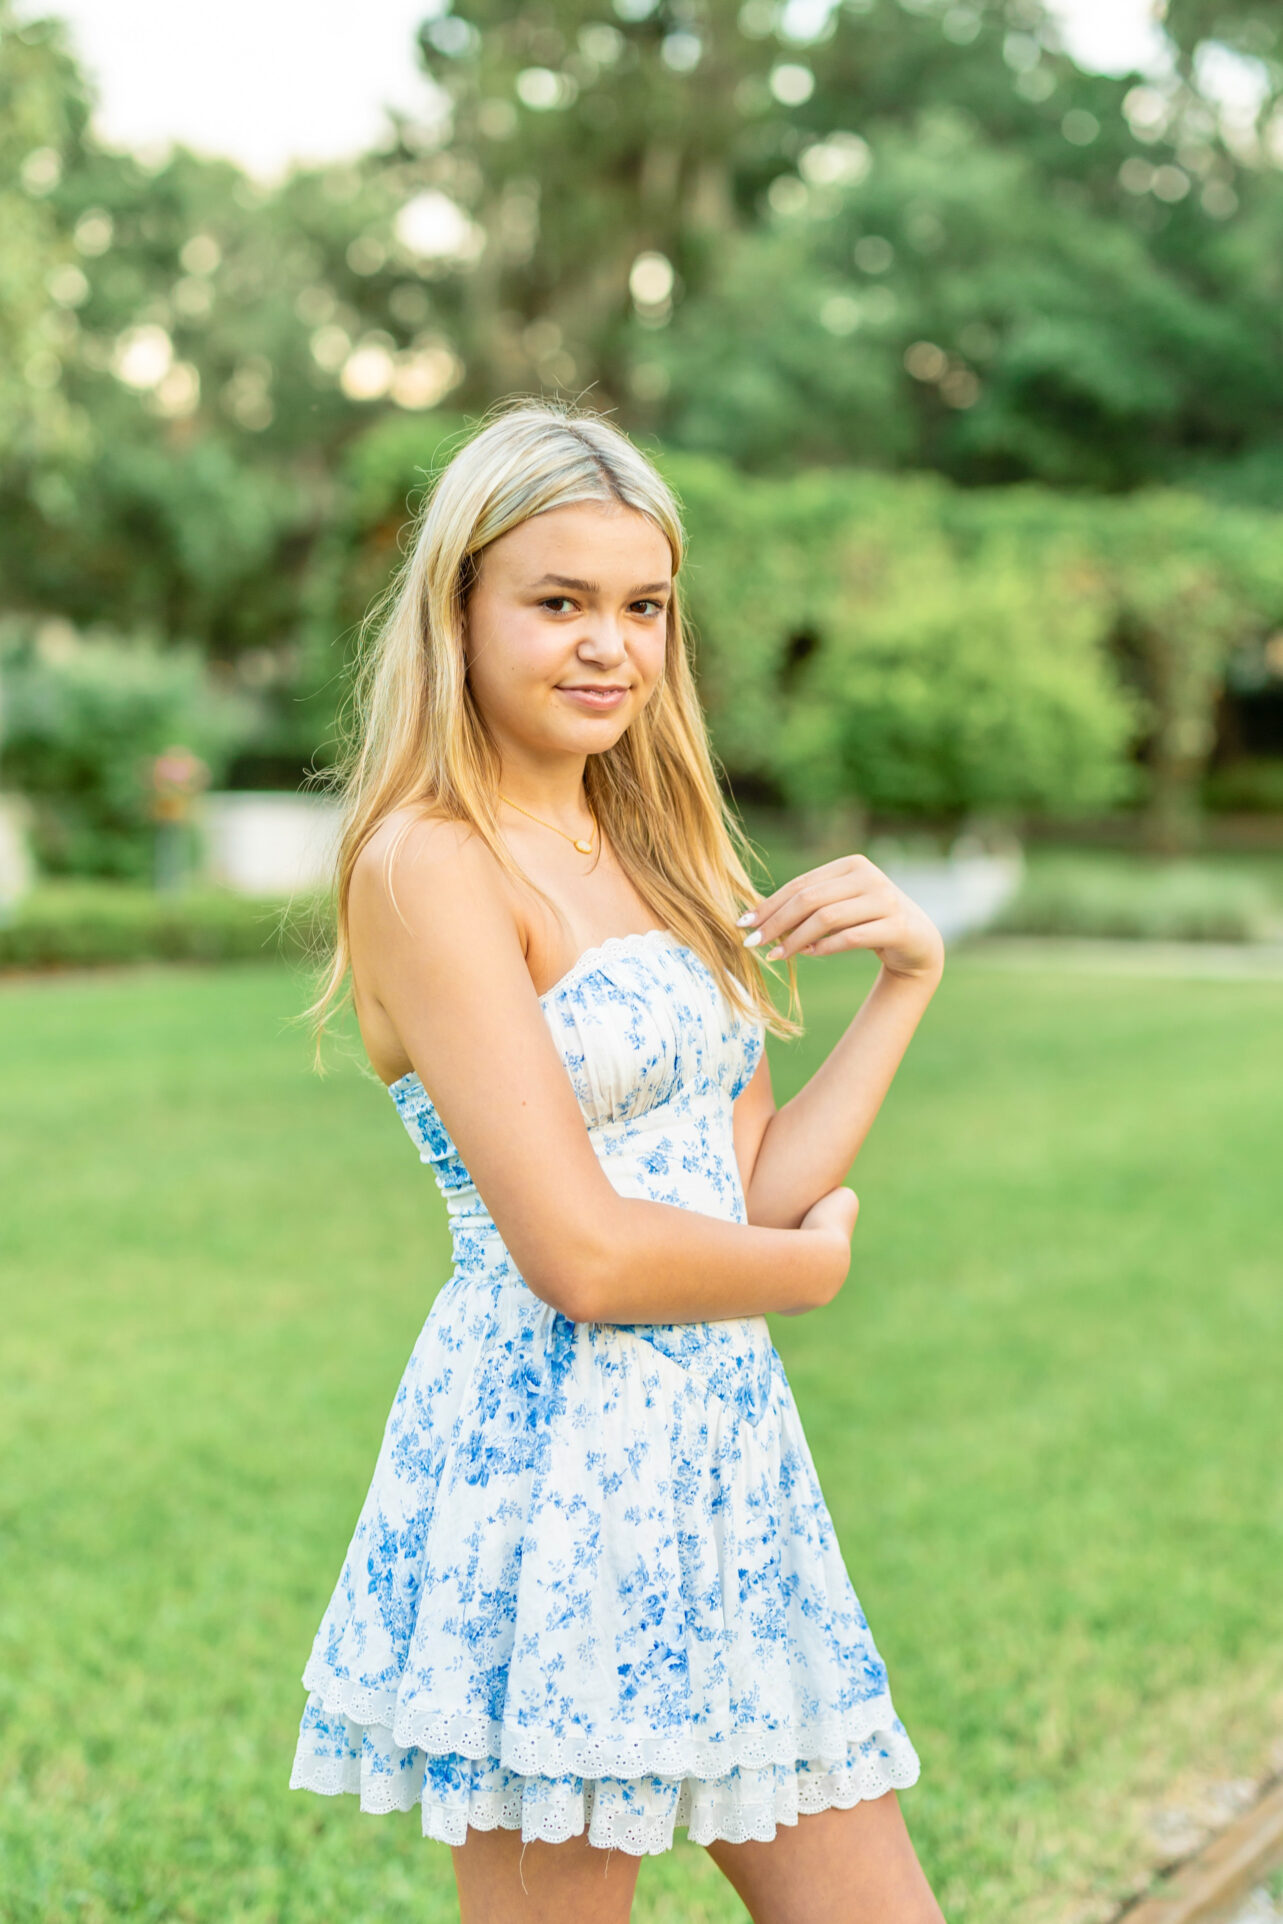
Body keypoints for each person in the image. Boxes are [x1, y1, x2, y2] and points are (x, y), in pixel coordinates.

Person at [289, 398, 948, 1923]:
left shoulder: (667, 854)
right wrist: (811, 1273)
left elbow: (754, 1182)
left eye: (642, 607)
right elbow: (580, 1254)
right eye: (560, 602)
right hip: (547, 1467)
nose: (610, 646)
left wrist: (906, 985)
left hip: (722, 1461)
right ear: (460, 611)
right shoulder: (428, 867)